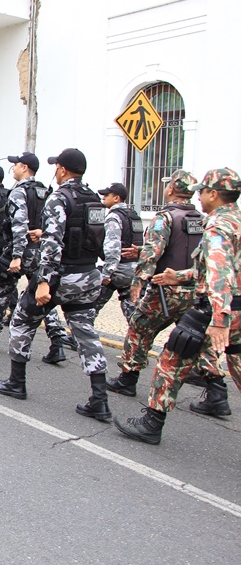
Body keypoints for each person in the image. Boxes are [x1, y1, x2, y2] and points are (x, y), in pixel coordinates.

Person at [115, 168, 241, 444]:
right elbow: (225, 269)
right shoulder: (235, 221)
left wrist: (220, 319)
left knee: (170, 360)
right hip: (232, 307)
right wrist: (181, 276)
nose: (200, 198)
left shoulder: (218, 227)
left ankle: (151, 422)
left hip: (216, 309)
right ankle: (214, 395)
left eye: (203, 192)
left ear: (214, 194)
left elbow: (219, 274)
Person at [0, 148, 112, 421]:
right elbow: (87, 236)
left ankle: (16, 382)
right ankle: (100, 400)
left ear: (62, 170)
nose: (55, 171)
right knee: (86, 333)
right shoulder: (94, 200)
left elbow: (53, 245)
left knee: (22, 319)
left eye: (56, 166)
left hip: (61, 276)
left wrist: (44, 281)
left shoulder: (59, 197)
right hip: (88, 275)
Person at [108, 171, 206, 397]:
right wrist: (141, 250)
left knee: (139, 327)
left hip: (165, 288)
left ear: (171, 189)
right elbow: (185, 250)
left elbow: (154, 253)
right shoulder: (199, 218)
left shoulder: (166, 217)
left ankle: (128, 378)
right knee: (193, 334)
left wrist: (138, 282)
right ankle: (216, 390)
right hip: (191, 289)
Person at [0, 152, 74, 362]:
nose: (12, 169)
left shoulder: (18, 192)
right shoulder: (47, 191)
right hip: (40, 251)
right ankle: (57, 343)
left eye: (15, 165)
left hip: (20, 250)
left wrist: (17, 255)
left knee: (1, 292)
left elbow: (19, 225)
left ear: (24, 167)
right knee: (42, 297)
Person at [92, 182, 141, 322]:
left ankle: (81, 340)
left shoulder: (113, 217)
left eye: (106, 195)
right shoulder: (133, 215)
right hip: (133, 271)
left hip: (117, 270)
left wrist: (107, 273)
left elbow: (112, 247)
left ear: (116, 198)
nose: (103, 198)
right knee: (133, 314)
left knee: (89, 308)